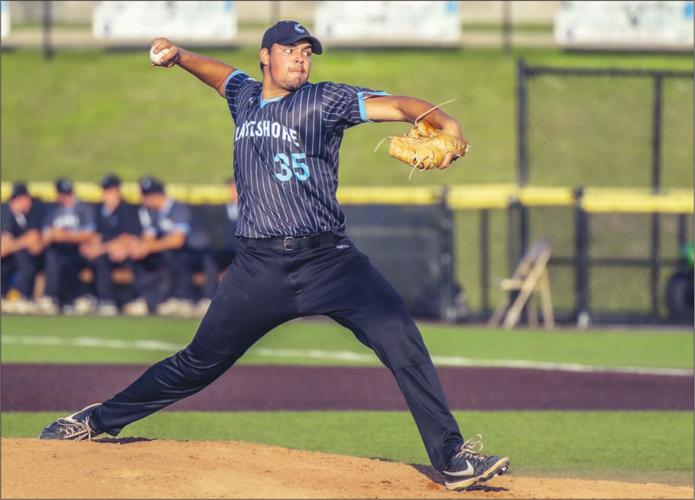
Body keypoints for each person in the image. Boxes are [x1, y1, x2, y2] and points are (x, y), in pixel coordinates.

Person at [38, 21, 509, 491]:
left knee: (403, 341)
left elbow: (401, 106)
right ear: (266, 56)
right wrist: (180, 56)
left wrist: (444, 122)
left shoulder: (325, 99)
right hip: (258, 269)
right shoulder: (243, 96)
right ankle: (97, 421)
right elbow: (220, 74)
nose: (301, 59)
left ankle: (451, 456)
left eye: (308, 52)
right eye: (290, 50)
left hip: (331, 262)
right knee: (197, 364)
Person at [127, 176, 211, 318]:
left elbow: (178, 240)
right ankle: (146, 300)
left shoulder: (178, 208)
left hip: (194, 251)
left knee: (173, 256)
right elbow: (149, 237)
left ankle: (182, 299)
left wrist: (148, 247)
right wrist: (138, 247)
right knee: (140, 258)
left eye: (146, 196)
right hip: (171, 252)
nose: (144, 199)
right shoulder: (154, 212)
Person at [80, 174, 142, 316]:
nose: (105, 194)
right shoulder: (98, 210)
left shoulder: (127, 209)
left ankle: (109, 301)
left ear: (117, 191)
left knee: (105, 259)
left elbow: (128, 237)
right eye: (104, 190)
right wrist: (88, 245)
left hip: (121, 254)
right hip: (102, 251)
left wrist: (101, 249)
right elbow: (93, 234)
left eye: (108, 190)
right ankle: (84, 298)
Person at [37, 178, 97, 315]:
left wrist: (66, 235)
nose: (65, 197)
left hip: (78, 249)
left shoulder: (83, 209)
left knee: (69, 259)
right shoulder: (53, 210)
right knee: (53, 255)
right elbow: (46, 235)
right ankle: (50, 298)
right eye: (62, 194)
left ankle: (79, 297)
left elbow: (89, 234)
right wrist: (53, 235)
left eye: (67, 194)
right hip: (59, 249)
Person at [1, 183, 44, 314]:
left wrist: (15, 244)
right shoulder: (6, 213)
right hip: (10, 259)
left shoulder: (34, 211)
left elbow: (35, 242)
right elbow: (3, 248)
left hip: (29, 257)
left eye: (23, 199)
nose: (17, 203)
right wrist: (22, 242)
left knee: (25, 256)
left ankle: (25, 297)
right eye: (16, 199)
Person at [212, 176, 240, 274]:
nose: (233, 193)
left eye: (235, 190)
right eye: (230, 190)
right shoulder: (219, 210)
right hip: (225, 252)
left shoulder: (252, 210)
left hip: (244, 252)